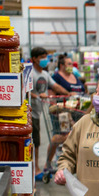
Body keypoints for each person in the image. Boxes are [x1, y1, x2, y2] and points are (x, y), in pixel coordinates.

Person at [29, 47, 69, 178]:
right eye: (41, 57)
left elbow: (55, 86)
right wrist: (37, 96)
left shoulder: (45, 74)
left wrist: (69, 94)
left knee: (37, 140)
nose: (44, 60)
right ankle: (35, 168)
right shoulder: (30, 73)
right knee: (35, 141)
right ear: (34, 59)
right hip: (30, 111)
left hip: (40, 110)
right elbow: (25, 91)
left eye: (45, 57)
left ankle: (38, 167)